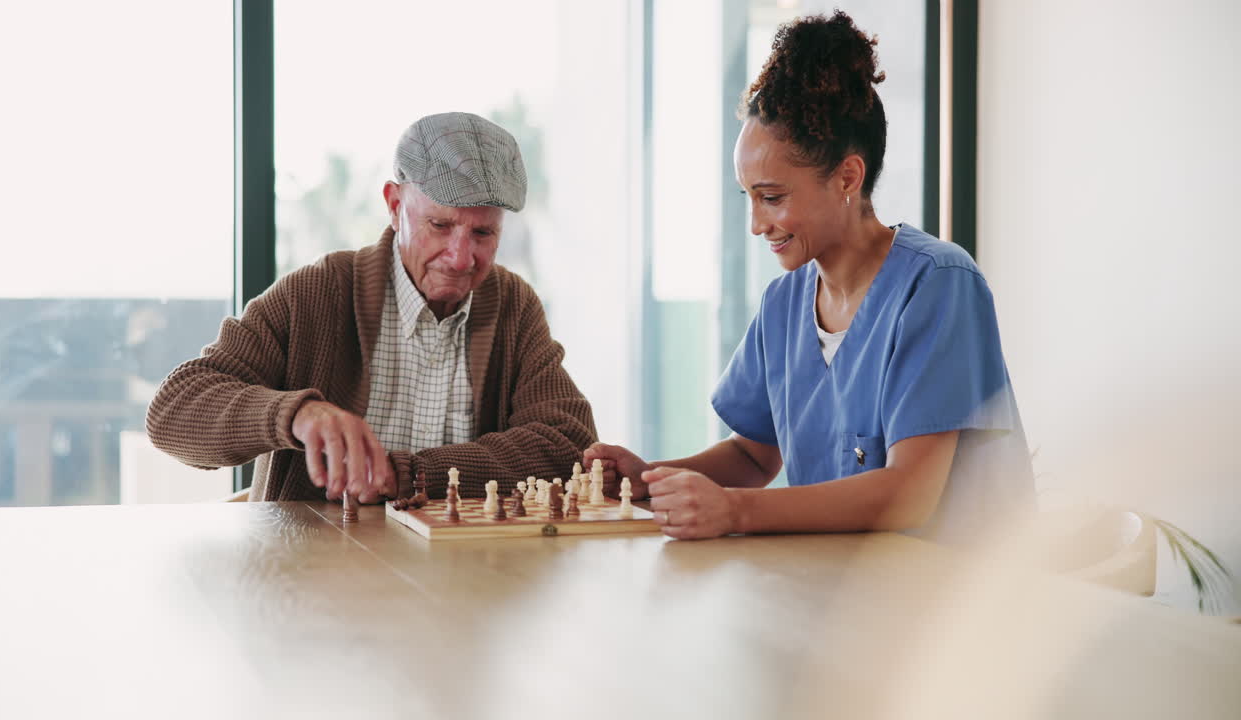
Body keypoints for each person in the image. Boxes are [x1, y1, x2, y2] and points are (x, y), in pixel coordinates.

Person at [585, 12, 1033, 543]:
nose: (756, 225)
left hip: (964, 606)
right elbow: (752, 455)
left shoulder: (939, 284)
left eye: (772, 197)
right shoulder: (783, 303)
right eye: (748, 198)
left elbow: (909, 494)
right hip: (842, 592)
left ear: (847, 176)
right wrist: (648, 479)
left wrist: (737, 512)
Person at [147, 112, 596, 503]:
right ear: (395, 205)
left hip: (464, 579)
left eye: (483, 234)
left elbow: (567, 443)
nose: (461, 258)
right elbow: (173, 412)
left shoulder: (513, 304)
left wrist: (412, 475)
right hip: (312, 576)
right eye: (439, 225)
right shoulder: (317, 291)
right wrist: (295, 415)